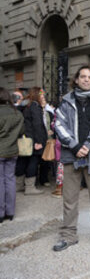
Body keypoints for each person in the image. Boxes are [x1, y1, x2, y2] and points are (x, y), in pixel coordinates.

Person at [52, 64, 90, 251]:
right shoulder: (66, 101)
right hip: (72, 156)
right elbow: (59, 126)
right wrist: (75, 146)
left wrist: (87, 145)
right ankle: (69, 235)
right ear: (76, 80)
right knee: (69, 198)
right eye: (83, 76)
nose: (86, 79)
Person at [0, 87, 24, 223]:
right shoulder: (17, 113)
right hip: (13, 150)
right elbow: (22, 131)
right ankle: (10, 211)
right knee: (10, 179)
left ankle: (1, 213)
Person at [22, 87, 48, 195]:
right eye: (41, 94)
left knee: (26, 161)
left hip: (29, 138)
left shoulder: (28, 106)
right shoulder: (35, 107)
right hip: (35, 139)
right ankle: (30, 187)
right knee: (34, 161)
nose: (43, 96)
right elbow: (37, 125)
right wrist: (38, 142)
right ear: (36, 95)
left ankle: (20, 184)